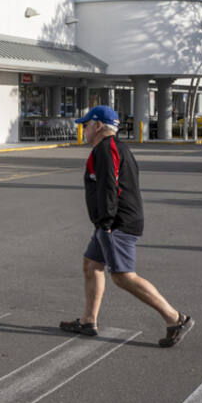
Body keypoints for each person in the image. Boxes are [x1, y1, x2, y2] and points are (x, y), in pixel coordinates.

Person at [60, 105, 193, 348]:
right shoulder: (113, 148)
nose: (84, 130)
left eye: (86, 125)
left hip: (117, 223)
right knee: (91, 264)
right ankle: (89, 320)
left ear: (98, 126)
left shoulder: (107, 149)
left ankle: (175, 319)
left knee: (123, 277)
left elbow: (110, 186)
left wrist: (107, 223)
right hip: (110, 221)